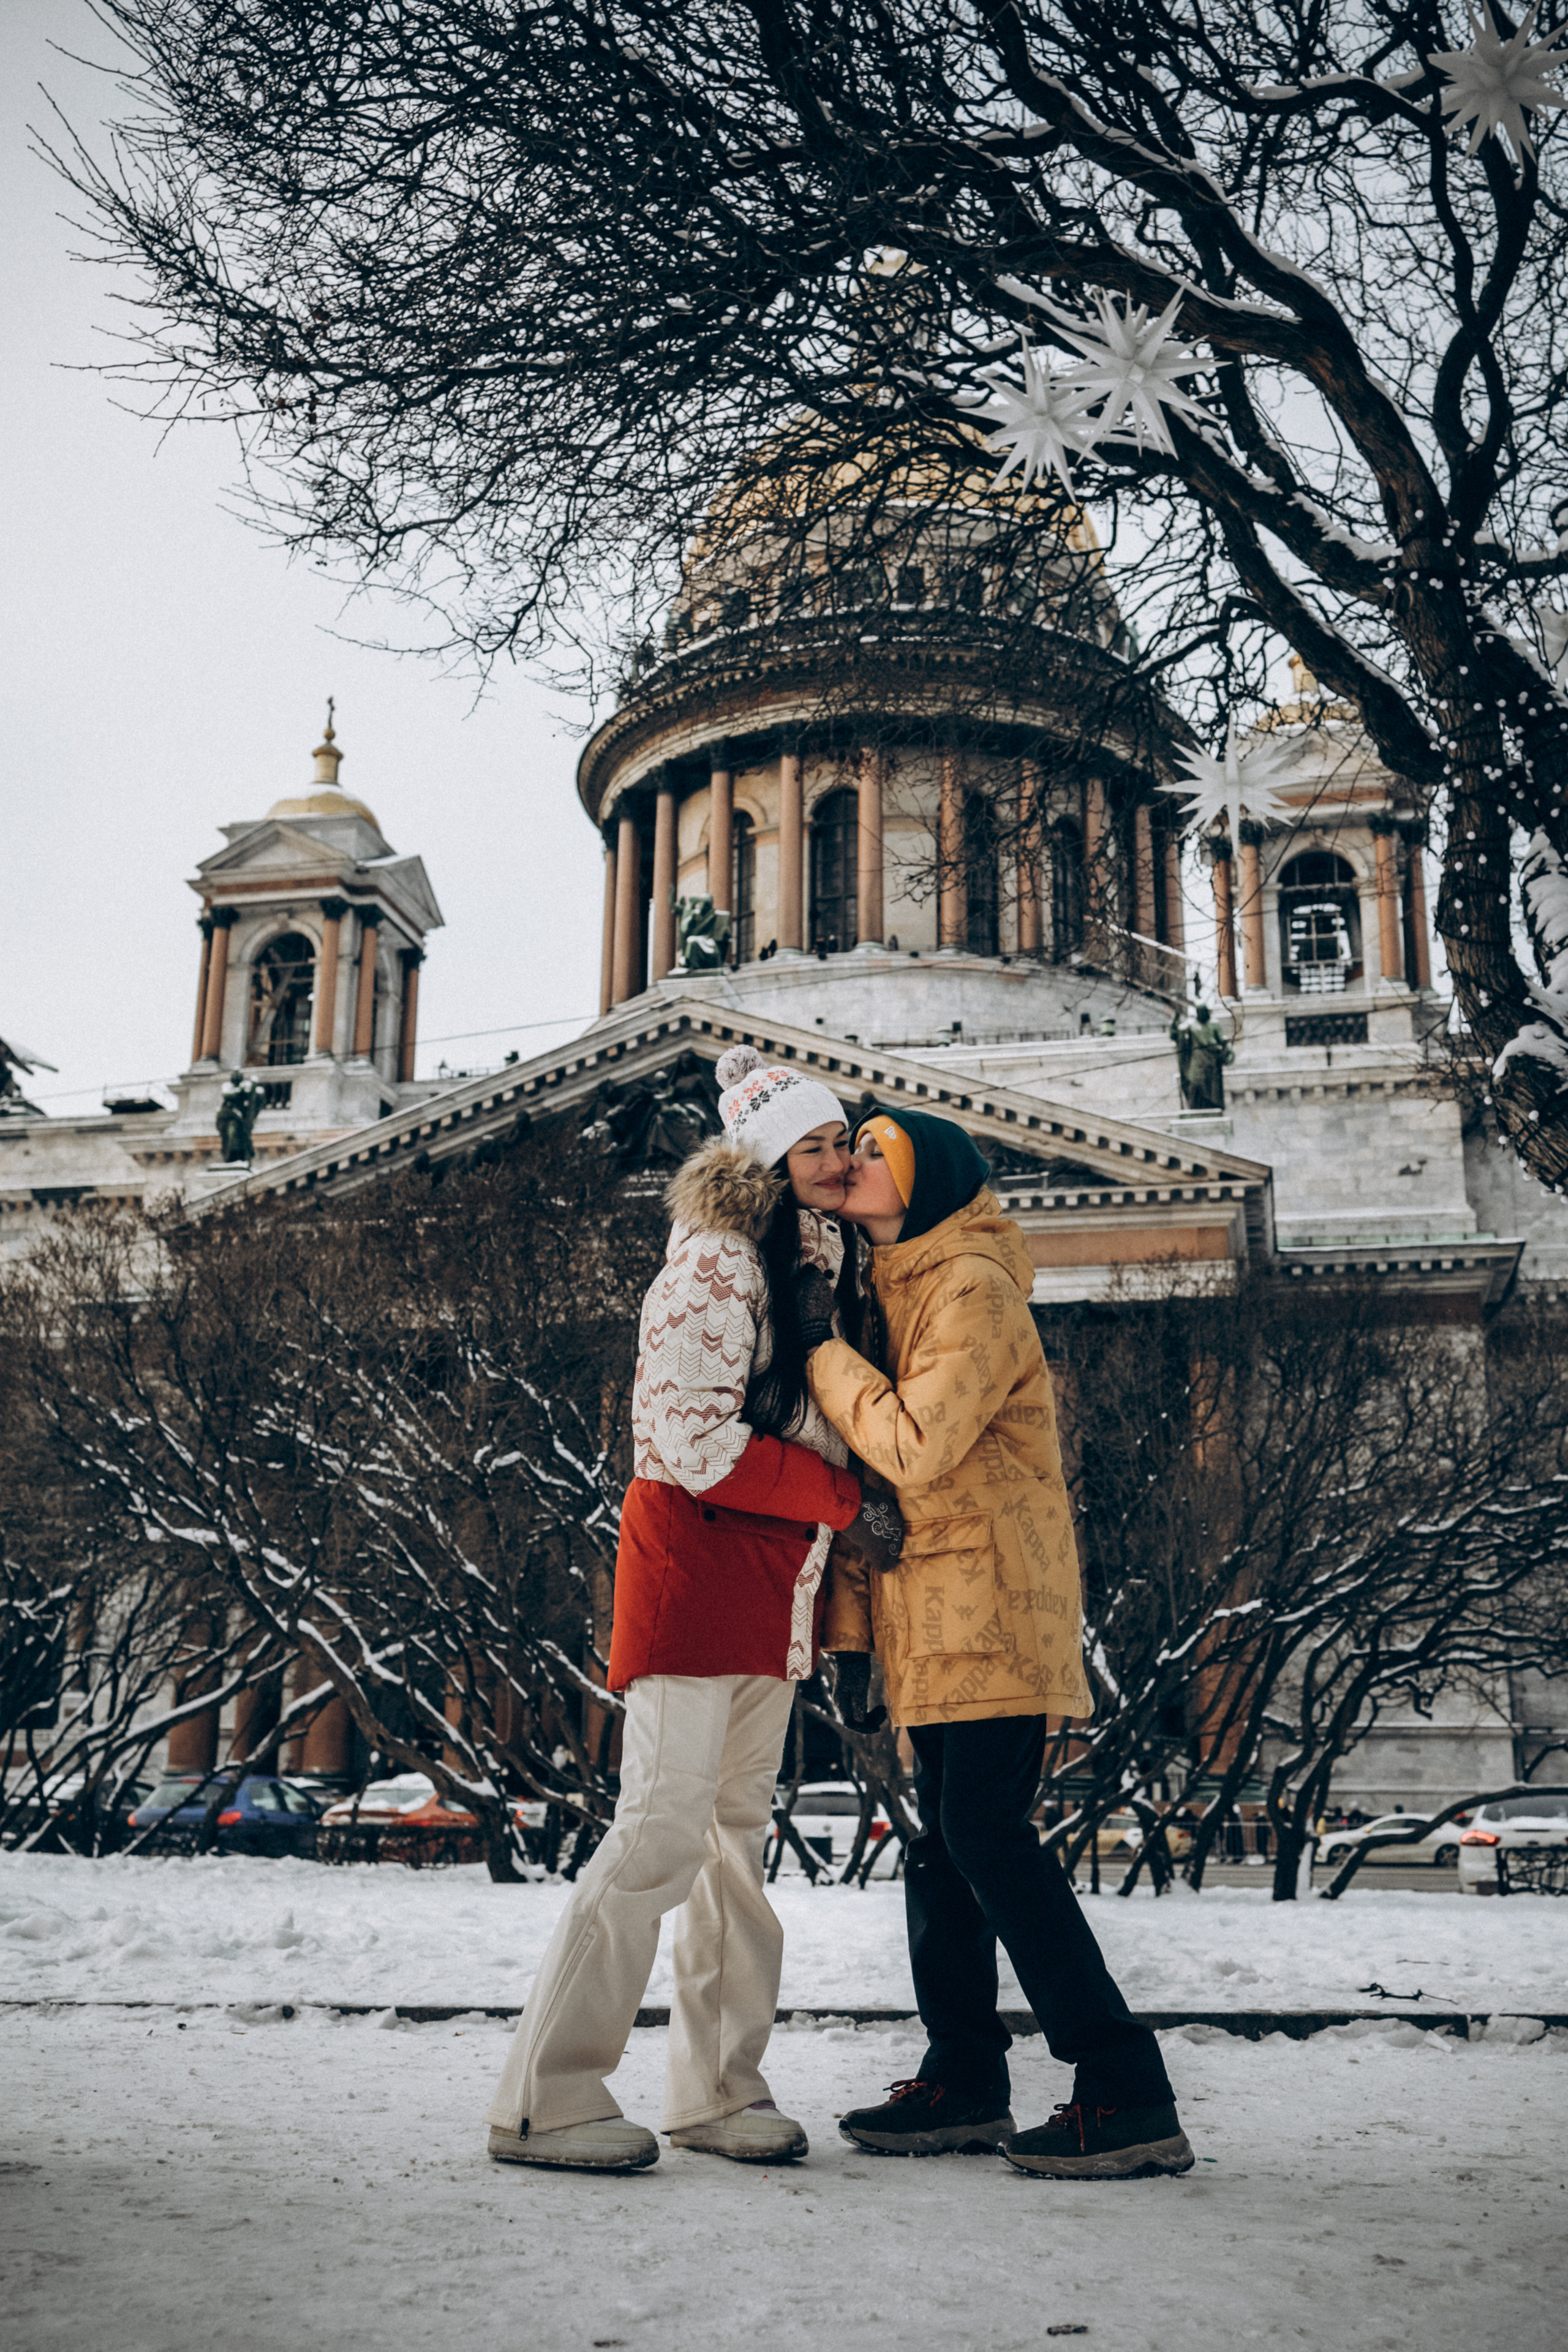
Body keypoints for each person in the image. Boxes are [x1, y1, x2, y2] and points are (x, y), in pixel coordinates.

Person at [484, 1046, 901, 2175]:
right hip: (697, 1573)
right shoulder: (718, 1265)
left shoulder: (808, 1272)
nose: (834, 1160)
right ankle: (546, 2096)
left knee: (732, 1853)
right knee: (660, 1836)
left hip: (772, 1587)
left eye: (842, 1141)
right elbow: (688, 1442)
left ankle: (718, 2090)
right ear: (762, 1157)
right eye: (811, 1144)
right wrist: (842, 1498)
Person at [797, 1106, 1194, 2181]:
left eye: (876, 1152)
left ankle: (1126, 2084)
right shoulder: (894, 1289)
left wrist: (818, 1354)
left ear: (929, 1184)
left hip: (991, 1609)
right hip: (935, 1617)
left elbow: (912, 1446)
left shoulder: (970, 1285)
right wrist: (856, 1641)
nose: (851, 1161)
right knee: (947, 1845)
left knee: (984, 1840)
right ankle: (965, 2077)